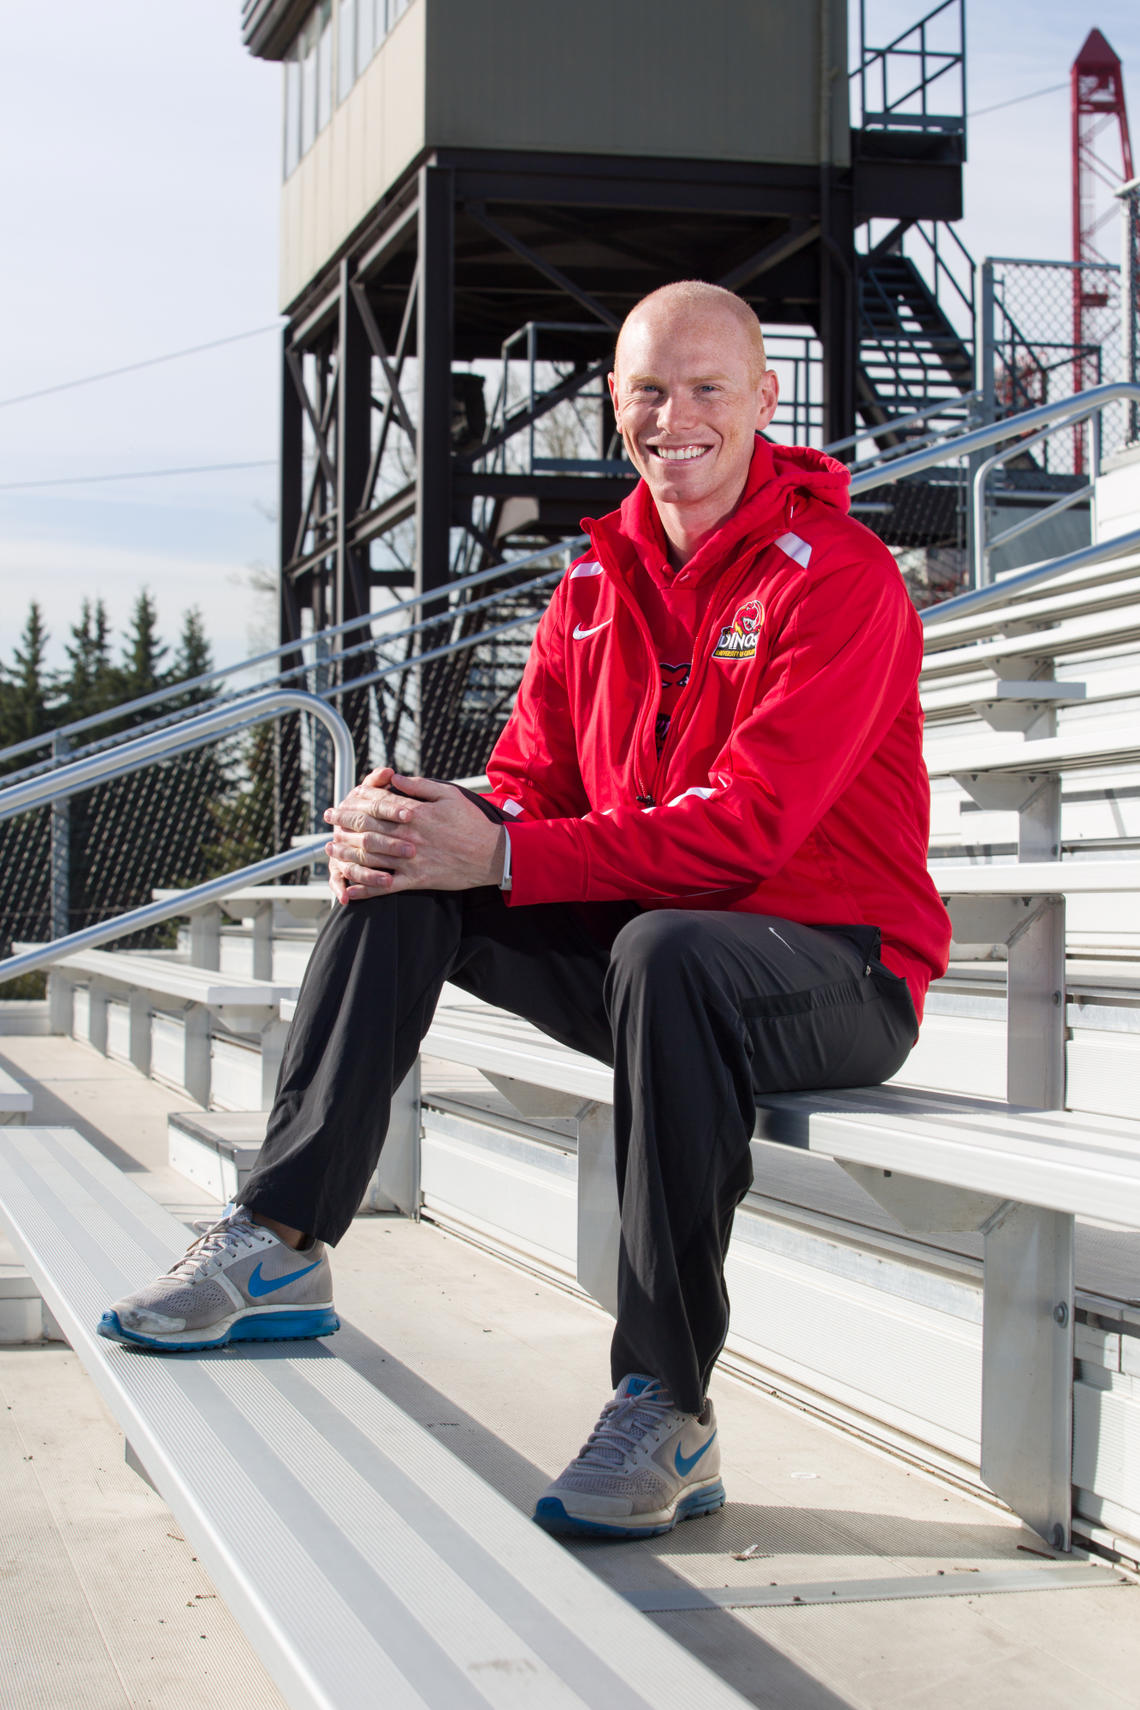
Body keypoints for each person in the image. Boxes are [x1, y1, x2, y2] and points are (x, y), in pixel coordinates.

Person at [99, 281, 951, 1540]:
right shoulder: (596, 582)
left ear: (766, 402)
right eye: (651, 391)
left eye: (709, 387)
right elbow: (526, 793)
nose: (679, 417)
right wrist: (419, 827)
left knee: (661, 948)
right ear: (617, 406)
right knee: (411, 879)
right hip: (654, 950)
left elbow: (753, 831)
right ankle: (278, 1236)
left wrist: (496, 851)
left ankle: (667, 1402)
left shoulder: (839, 577)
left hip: (834, 968)